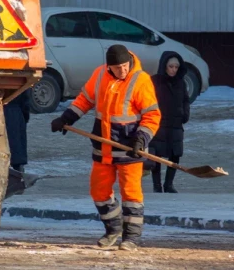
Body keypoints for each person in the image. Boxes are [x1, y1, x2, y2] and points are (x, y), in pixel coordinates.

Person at [50, 44, 161, 251]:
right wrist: (66, 118)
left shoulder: (140, 80)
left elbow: (152, 115)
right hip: (103, 147)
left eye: (125, 66)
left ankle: (131, 238)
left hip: (130, 148)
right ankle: (113, 229)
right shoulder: (100, 74)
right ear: (109, 66)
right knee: (99, 191)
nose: (122, 71)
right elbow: (85, 100)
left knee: (131, 195)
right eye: (117, 68)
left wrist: (141, 139)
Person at [149, 51, 190, 193]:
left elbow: (186, 100)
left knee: (175, 154)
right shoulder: (154, 81)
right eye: (170, 66)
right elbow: (147, 100)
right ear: (164, 66)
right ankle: (157, 186)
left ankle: (169, 184)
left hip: (176, 124)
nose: (173, 69)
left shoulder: (181, 83)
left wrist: (185, 114)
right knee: (156, 155)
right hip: (158, 123)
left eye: (176, 67)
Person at [4, 89, 30, 172]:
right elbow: (25, 99)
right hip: (14, 112)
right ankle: (19, 172)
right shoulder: (20, 78)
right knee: (16, 150)